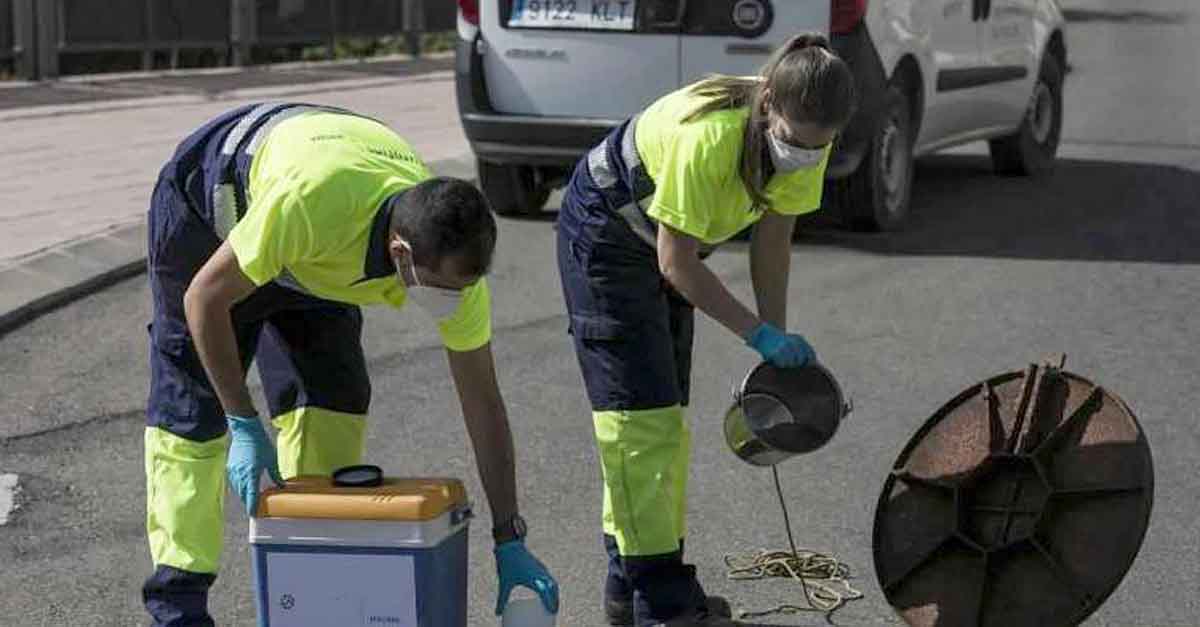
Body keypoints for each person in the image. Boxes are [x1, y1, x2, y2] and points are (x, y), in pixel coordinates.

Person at [142, 102, 558, 626]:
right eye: (445, 289)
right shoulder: (314, 203)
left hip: (312, 254)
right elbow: (204, 299)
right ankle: (178, 604)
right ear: (401, 253)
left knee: (333, 401)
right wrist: (242, 421)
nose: (455, 301)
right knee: (193, 413)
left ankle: (310, 581)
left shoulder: (452, 262)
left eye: (465, 289)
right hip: (212, 210)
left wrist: (508, 537)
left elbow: (483, 403)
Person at [555, 34, 856, 626]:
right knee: (638, 426)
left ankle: (629, 588)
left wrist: (779, 336)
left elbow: (773, 240)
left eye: (818, 146)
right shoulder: (710, 137)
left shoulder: (809, 137)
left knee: (660, 423)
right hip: (606, 234)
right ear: (768, 101)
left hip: (662, 246)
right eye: (795, 141)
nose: (803, 154)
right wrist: (756, 336)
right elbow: (677, 263)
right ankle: (659, 602)